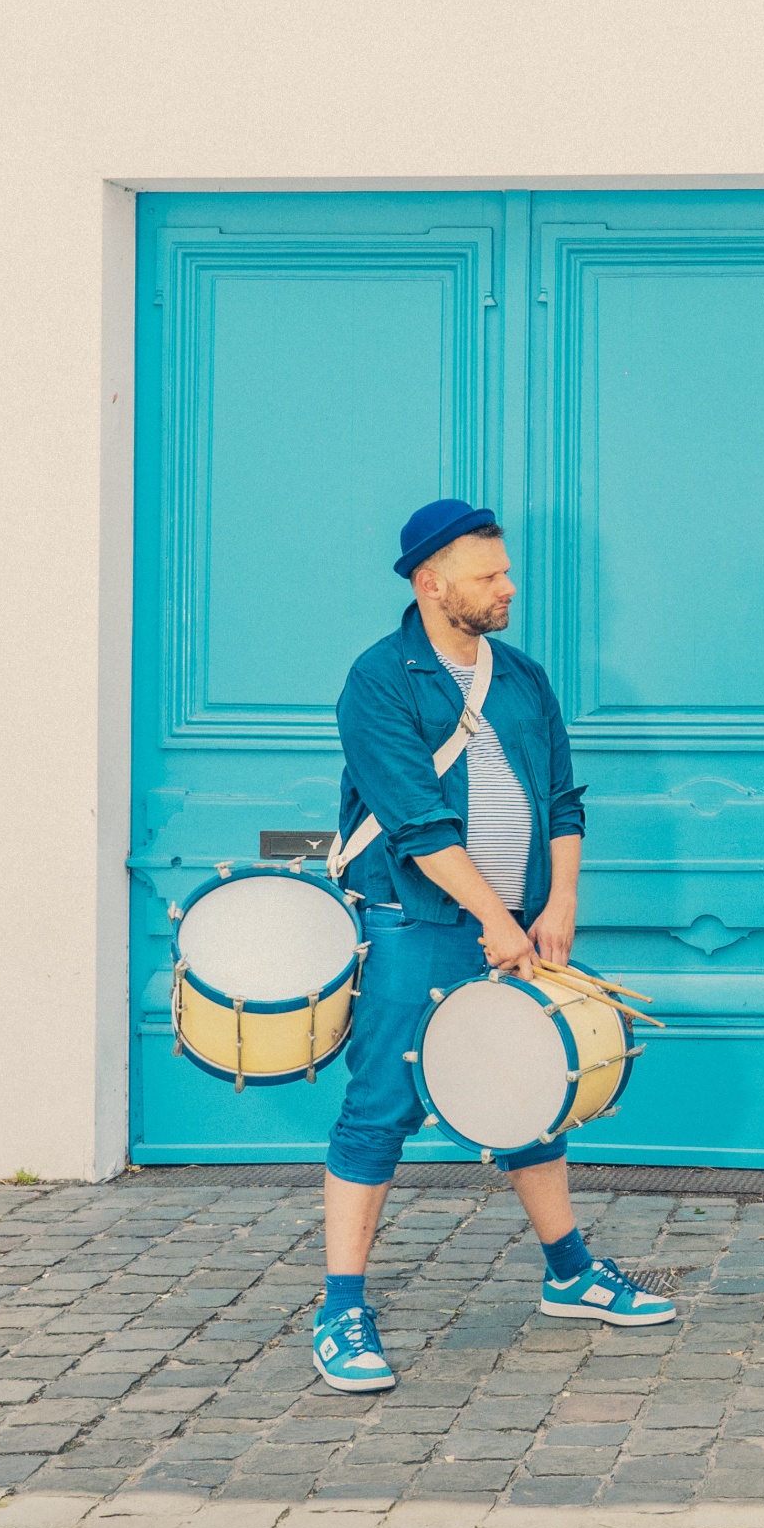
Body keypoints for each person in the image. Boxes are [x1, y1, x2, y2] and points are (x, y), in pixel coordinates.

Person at [316, 499, 676, 1393]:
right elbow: (416, 823)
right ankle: (340, 1308)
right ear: (431, 585)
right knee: (380, 1107)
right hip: (417, 923)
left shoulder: (521, 676)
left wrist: (558, 902)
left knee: (527, 1091)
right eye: (489, 576)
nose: (509, 586)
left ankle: (570, 1275)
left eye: (505, 570)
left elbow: (562, 800)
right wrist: (495, 918)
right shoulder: (379, 680)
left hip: (516, 920)